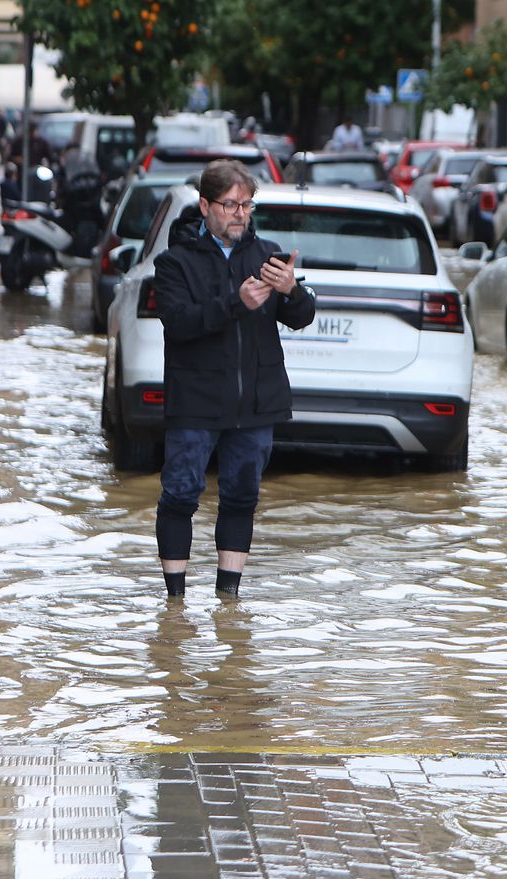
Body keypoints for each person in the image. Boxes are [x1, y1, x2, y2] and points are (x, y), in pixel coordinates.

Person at [151, 159, 315, 599]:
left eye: (246, 204)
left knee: (243, 496)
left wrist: (292, 293)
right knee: (181, 495)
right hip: (196, 401)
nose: (240, 213)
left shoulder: (267, 255)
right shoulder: (174, 262)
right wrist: (235, 302)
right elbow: (179, 323)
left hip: (255, 403)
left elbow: (300, 317)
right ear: (205, 206)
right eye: (230, 205)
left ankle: (229, 601)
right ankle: (175, 605)